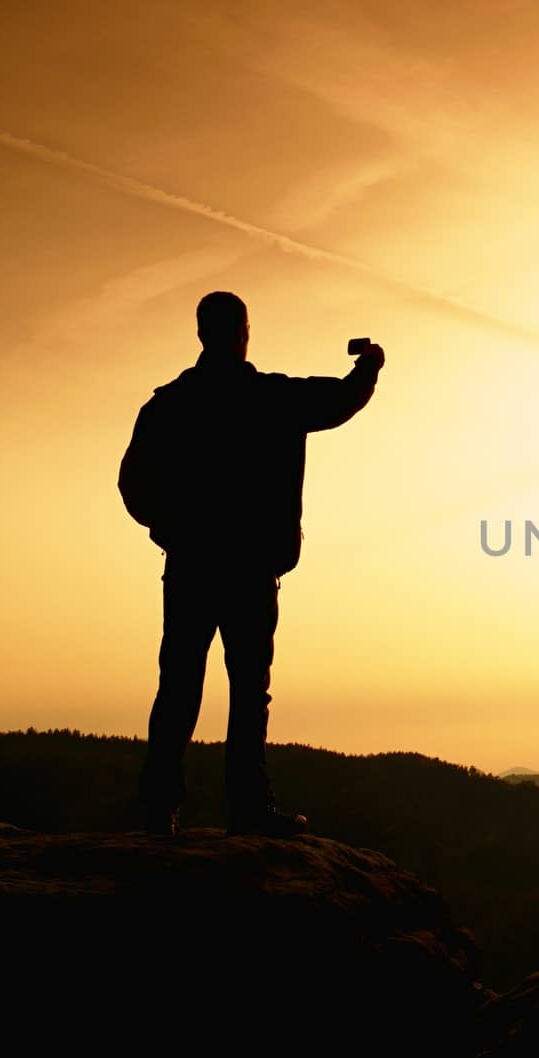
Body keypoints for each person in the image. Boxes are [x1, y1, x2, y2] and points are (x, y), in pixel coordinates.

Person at [118, 291, 384, 836]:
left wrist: (169, 528)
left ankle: (157, 809)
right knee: (247, 690)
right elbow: (341, 400)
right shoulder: (270, 399)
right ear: (243, 332)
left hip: (190, 566)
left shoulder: (169, 405)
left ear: (200, 334)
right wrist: (370, 366)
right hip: (249, 569)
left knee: (179, 687)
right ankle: (247, 809)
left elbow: (132, 483)